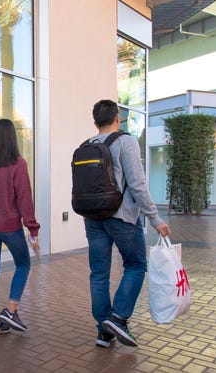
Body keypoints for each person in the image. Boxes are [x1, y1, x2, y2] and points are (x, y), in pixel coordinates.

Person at [84, 100, 170, 348]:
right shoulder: (126, 142)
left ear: (95, 121)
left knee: (98, 273)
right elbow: (137, 184)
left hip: (93, 218)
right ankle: (118, 317)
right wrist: (155, 218)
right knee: (135, 265)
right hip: (122, 217)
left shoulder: (88, 145)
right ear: (117, 118)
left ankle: (103, 331)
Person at [0, 119, 40, 338]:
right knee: (23, 264)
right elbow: (25, 200)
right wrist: (33, 230)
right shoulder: (18, 164)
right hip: (9, 226)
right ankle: (11, 310)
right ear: (13, 138)